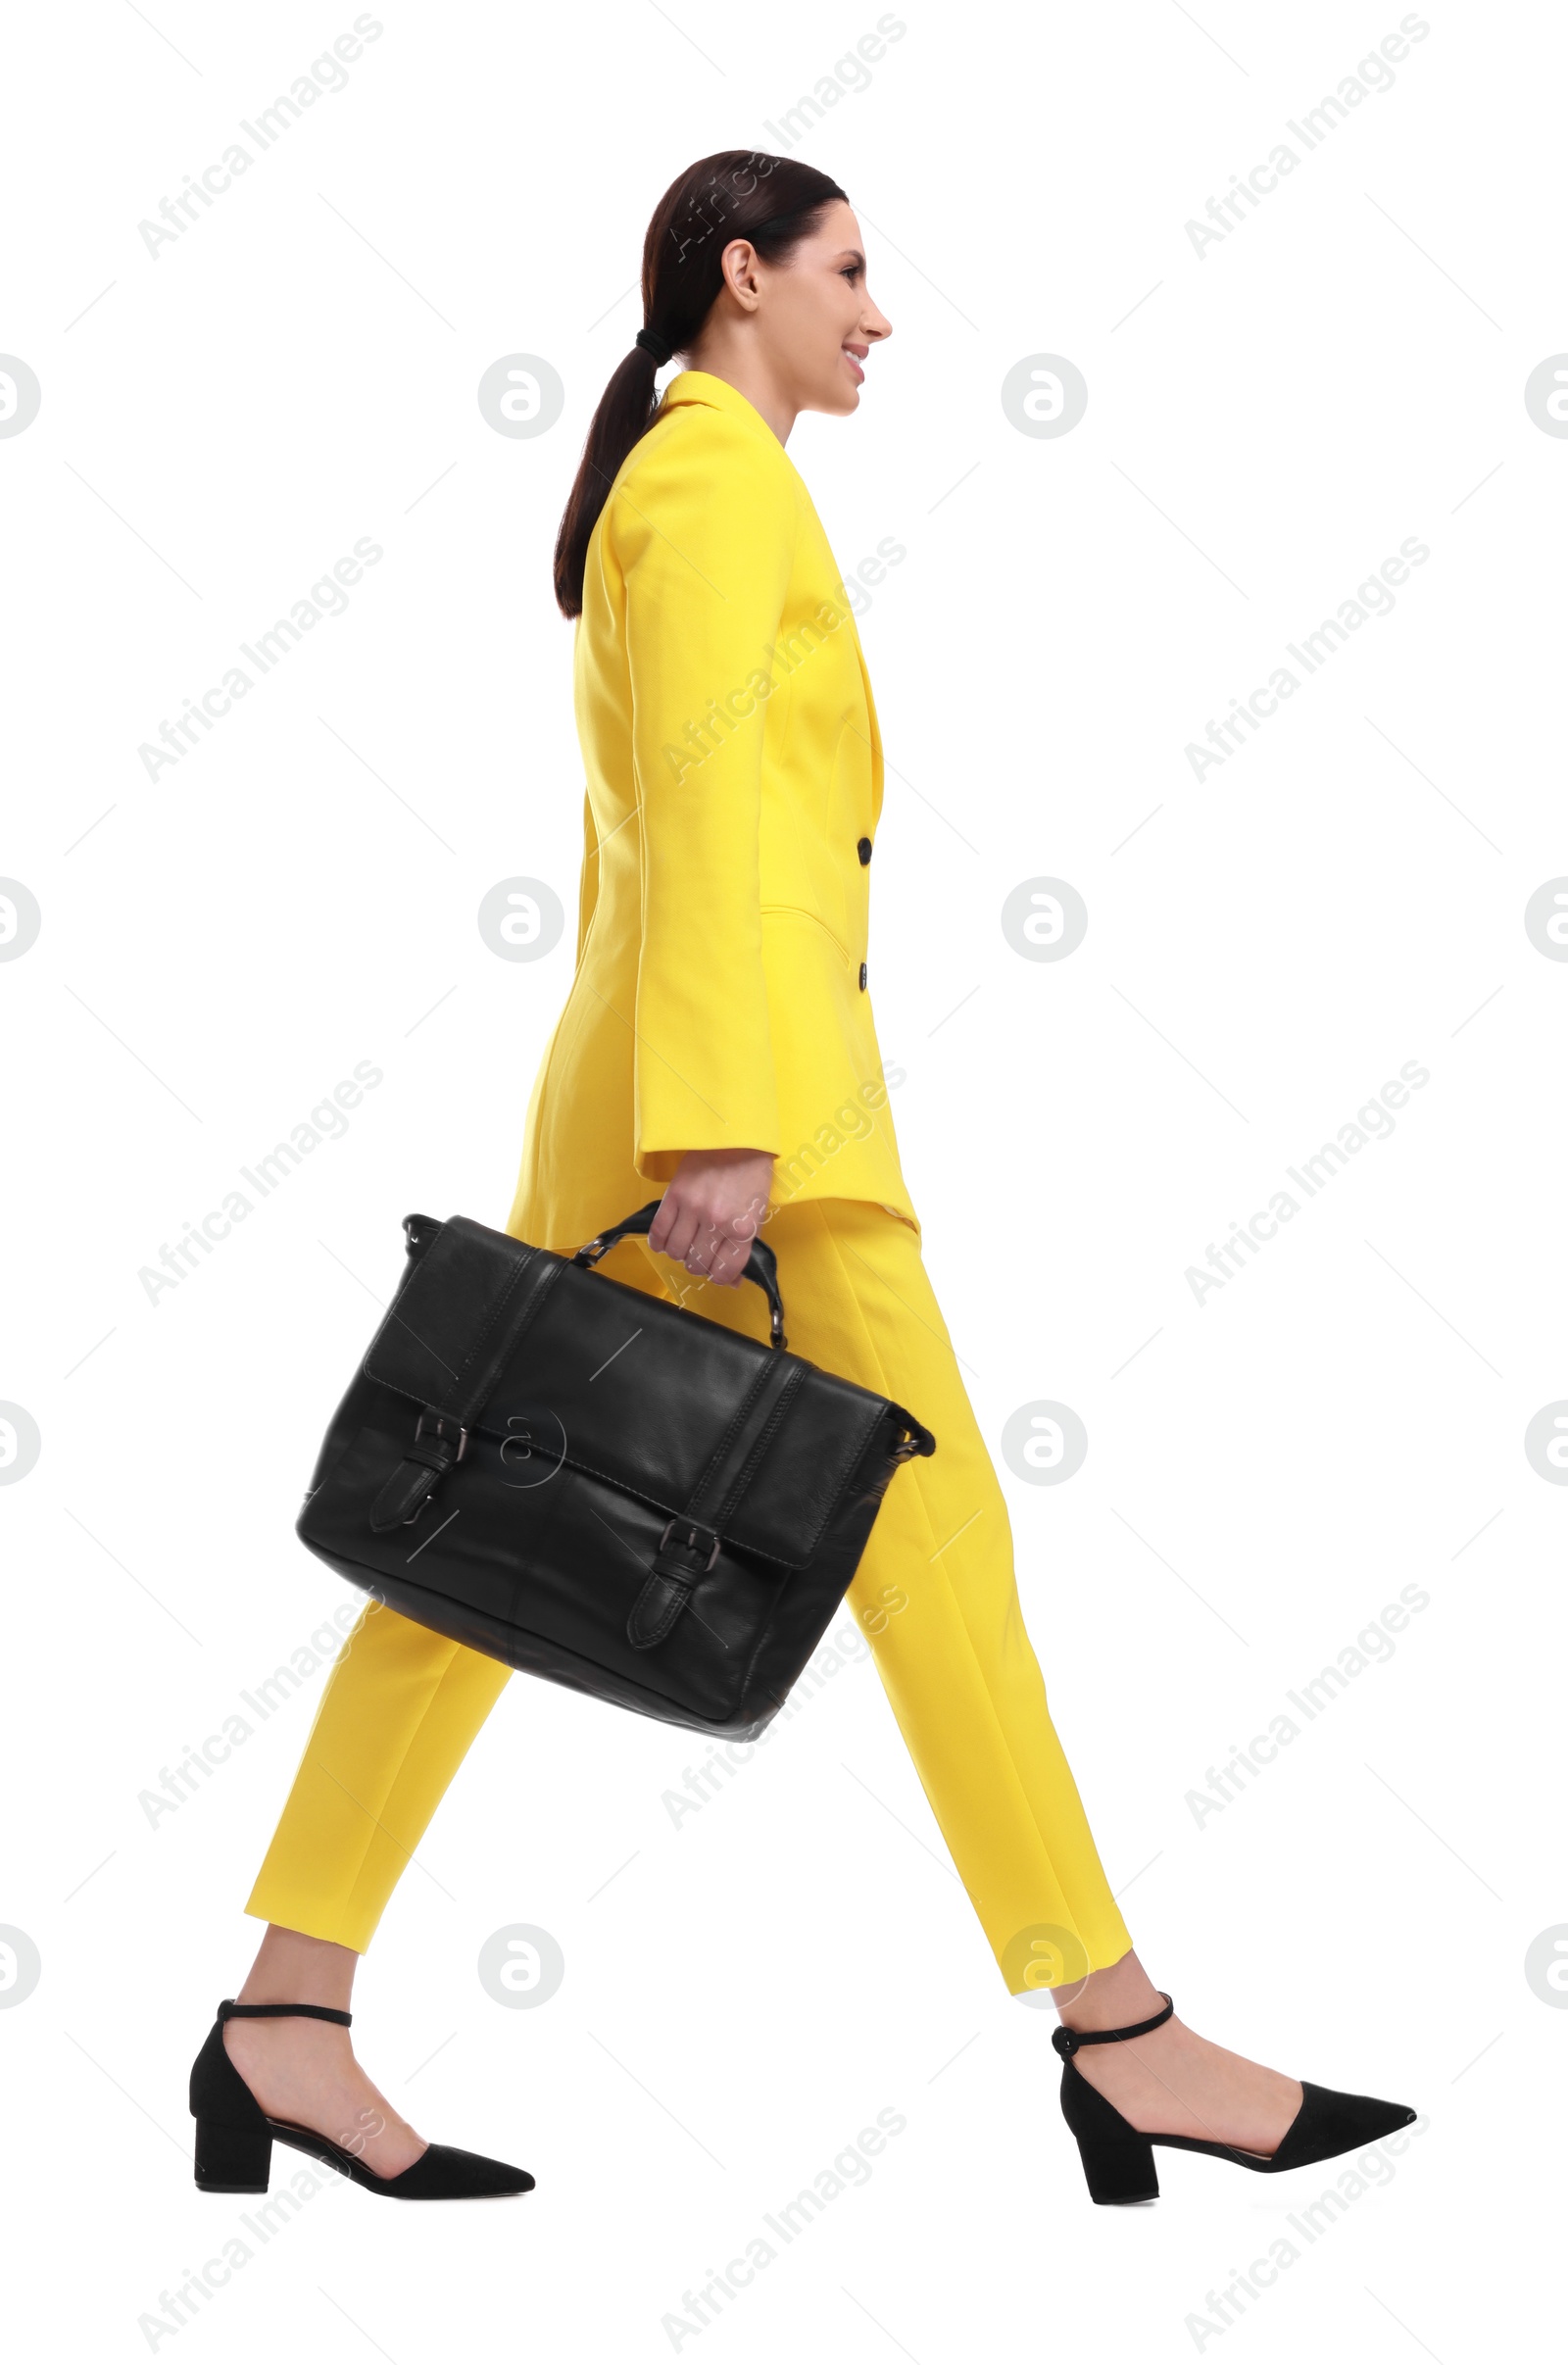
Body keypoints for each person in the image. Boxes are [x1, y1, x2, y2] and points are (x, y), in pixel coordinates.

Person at [189, 150, 1414, 2206]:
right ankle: (1120, 2037)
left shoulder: (710, 480)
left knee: (489, 1540)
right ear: (738, 276)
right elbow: (694, 818)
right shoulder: (703, 483)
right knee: (922, 1560)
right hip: (744, 1130)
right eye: (848, 270)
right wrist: (722, 1130)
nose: (878, 310)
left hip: (731, 1105)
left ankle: (281, 2021)